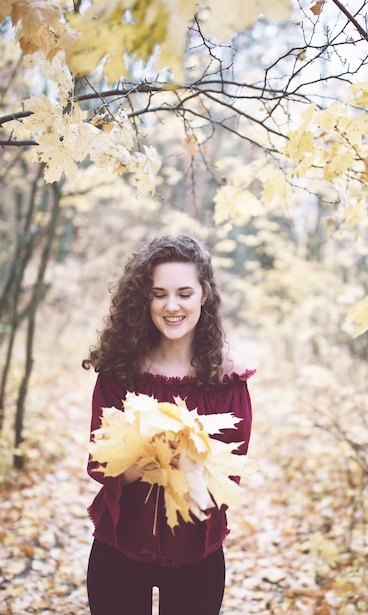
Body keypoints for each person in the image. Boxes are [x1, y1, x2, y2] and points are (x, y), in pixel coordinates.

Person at [82, 234, 254, 615]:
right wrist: (151, 458)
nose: (171, 306)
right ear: (145, 299)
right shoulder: (119, 370)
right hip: (119, 545)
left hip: (196, 551)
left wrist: (187, 459)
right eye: (158, 293)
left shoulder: (227, 377)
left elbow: (229, 480)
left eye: (184, 293)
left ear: (205, 295)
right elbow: (98, 465)